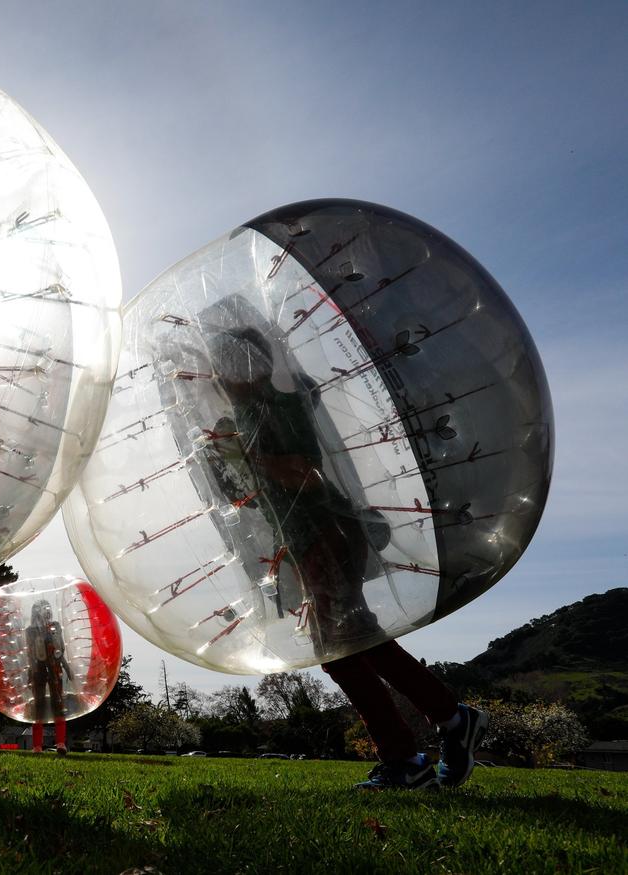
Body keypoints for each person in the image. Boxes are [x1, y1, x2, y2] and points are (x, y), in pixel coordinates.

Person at [204, 315, 488, 791]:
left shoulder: (276, 407)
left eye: (223, 365)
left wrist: (249, 457)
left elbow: (306, 473)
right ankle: (434, 732)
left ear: (246, 367)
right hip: (310, 540)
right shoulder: (253, 414)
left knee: (348, 645)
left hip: (327, 534)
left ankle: (425, 740)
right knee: (345, 647)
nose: (217, 376)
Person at [25, 598, 72, 755]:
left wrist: (66, 667)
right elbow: (30, 653)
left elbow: (60, 649)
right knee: (39, 704)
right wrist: (30, 674)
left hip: (54, 667)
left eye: (47, 608)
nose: (45, 612)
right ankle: (37, 746)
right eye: (41, 609)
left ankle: (60, 744)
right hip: (38, 669)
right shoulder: (30, 630)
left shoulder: (55, 626)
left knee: (58, 702)